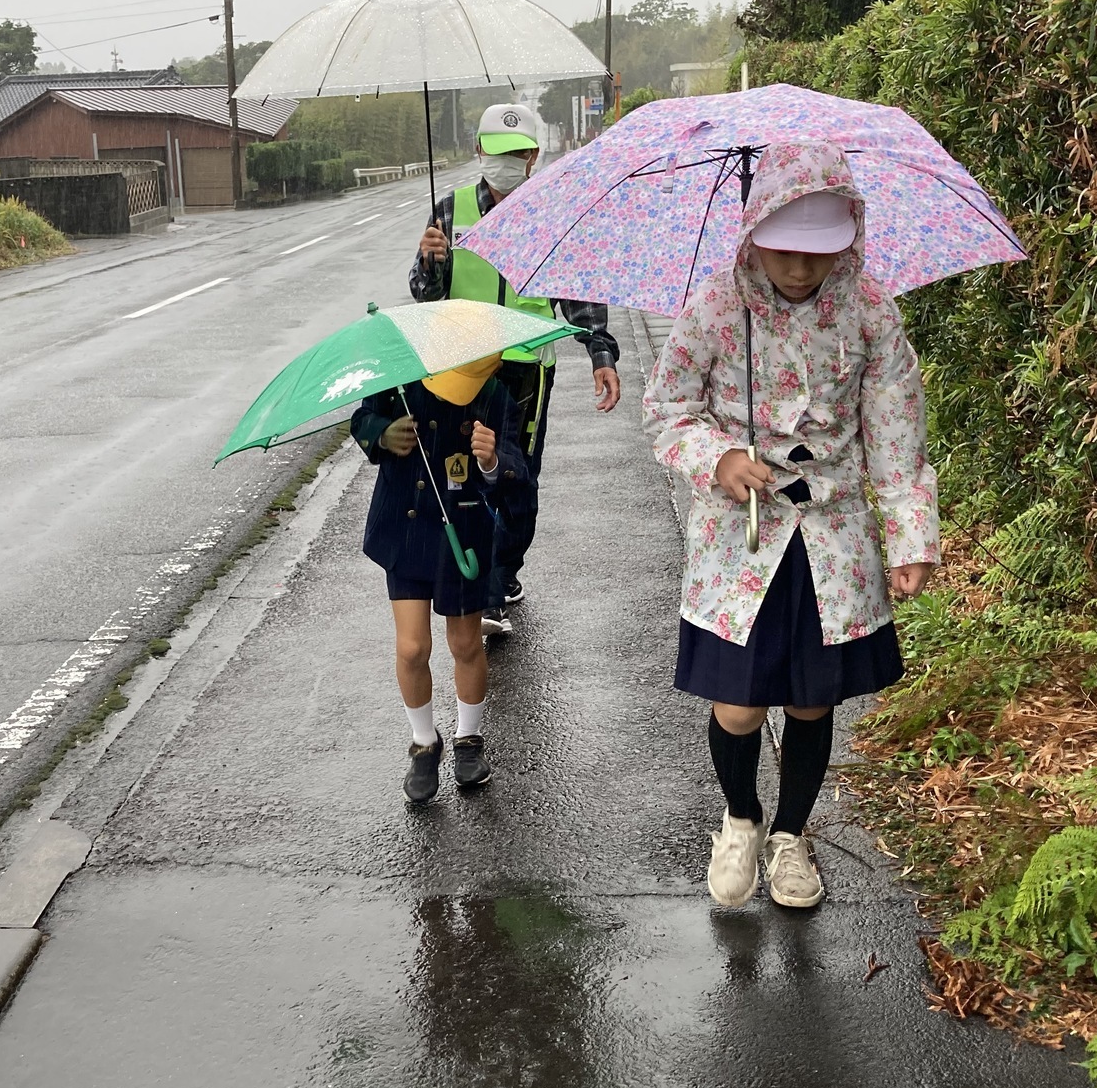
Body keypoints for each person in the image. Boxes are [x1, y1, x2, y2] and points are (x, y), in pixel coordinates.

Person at [641, 143, 940, 910]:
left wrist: (910, 537)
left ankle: (792, 835)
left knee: (813, 701)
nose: (801, 270)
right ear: (753, 231)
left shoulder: (869, 310)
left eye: (819, 252)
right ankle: (740, 818)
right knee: (738, 704)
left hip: (833, 536)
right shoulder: (715, 308)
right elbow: (668, 410)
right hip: (740, 540)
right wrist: (719, 455)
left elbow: (897, 428)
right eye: (784, 250)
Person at [410, 103, 621, 636]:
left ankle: (503, 576)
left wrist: (600, 353)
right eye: (498, 152)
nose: (509, 162)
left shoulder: (549, 213)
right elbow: (421, 294)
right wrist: (431, 262)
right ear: (480, 151)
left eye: (520, 153)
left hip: (526, 370)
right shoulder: (450, 210)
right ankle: (480, 583)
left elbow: (576, 292)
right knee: (462, 475)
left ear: (534, 156)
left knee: (515, 478)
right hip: (460, 366)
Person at [351, 354, 528, 804]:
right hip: (404, 531)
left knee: (466, 644)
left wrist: (492, 462)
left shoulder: (495, 394)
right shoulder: (400, 380)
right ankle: (424, 743)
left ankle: (469, 740)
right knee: (412, 647)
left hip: (462, 537)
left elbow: (518, 469)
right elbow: (362, 418)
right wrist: (381, 434)